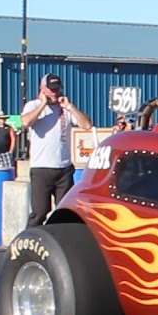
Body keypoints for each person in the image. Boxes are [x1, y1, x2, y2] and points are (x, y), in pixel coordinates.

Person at [21, 73, 91, 227]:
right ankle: (29, 240)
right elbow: (25, 122)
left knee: (66, 210)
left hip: (64, 168)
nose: (54, 92)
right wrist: (42, 104)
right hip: (42, 168)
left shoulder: (65, 108)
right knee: (40, 211)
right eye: (51, 89)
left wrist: (70, 107)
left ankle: (62, 241)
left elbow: (86, 125)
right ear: (42, 88)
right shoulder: (33, 106)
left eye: (57, 89)